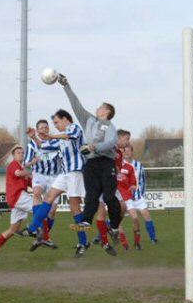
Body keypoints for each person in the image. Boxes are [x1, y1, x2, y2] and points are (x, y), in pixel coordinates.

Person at [19, 109, 111, 258]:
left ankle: (83, 242)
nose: (55, 125)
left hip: (76, 173)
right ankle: (33, 229)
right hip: (64, 173)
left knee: (74, 208)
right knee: (48, 198)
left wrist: (50, 135)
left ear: (65, 119)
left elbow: (70, 136)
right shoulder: (58, 138)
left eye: (56, 122)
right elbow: (44, 146)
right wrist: (34, 137)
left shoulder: (73, 128)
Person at [57, 74, 122, 238]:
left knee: (109, 198)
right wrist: (66, 86)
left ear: (107, 111)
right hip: (91, 165)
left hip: (106, 164)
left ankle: (114, 226)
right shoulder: (89, 121)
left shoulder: (110, 127)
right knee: (91, 196)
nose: (97, 108)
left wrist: (94, 146)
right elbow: (76, 105)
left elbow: (111, 142)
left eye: (101, 107)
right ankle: (85, 222)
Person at [18, 119, 61, 248]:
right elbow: (25, 164)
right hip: (39, 174)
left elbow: (58, 156)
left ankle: (42, 236)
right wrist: (33, 161)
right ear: (37, 130)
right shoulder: (32, 145)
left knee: (52, 211)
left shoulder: (55, 142)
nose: (44, 129)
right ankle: (38, 230)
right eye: (41, 127)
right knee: (36, 193)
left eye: (46, 127)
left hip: (54, 176)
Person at [0, 145, 33, 261]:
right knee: (40, 208)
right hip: (17, 197)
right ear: (13, 155)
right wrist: (32, 167)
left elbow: (34, 184)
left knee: (13, 230)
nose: (21, 154)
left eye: (22, 153)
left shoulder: (22, 169)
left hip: (17, 200)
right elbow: (18, 174)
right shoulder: (13, 165)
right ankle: (35, 231)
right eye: (18, 153)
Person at [124, 145, 158, 243]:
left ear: (132, 152)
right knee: (117, 217)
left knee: (146, 215)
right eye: (125, 151)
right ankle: (100, 236)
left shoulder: (139, 165)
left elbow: (143, 181)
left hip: (138, 197)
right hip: (126, 198)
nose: (126, 153)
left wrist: (141, 194)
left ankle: (153, 238)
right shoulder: (121, 165)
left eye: (128, 151)